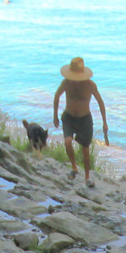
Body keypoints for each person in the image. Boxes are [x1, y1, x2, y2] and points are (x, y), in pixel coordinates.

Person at [51, 57, 109, 187]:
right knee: (67, 141)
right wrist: (55, 115)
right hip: (69, 117)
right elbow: (57, 96)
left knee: (85, 150)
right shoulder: (66, 83)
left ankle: (87, 177)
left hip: (84, 120)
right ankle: (74, 167)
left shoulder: (90, 85)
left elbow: (100, 102)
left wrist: (104, 122)